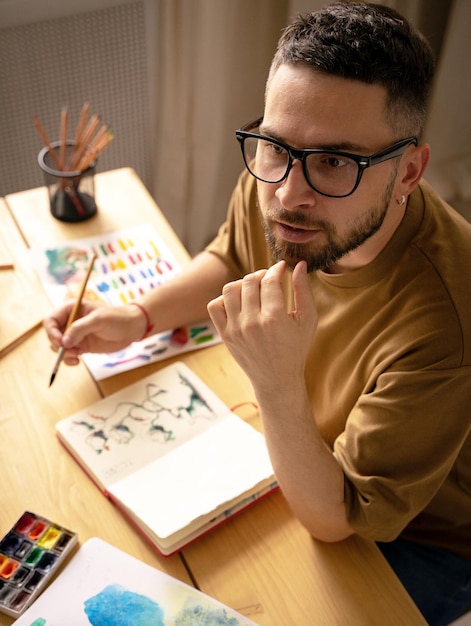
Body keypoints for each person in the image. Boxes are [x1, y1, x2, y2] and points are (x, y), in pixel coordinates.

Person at [44, 3, 471, 624]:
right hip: (300, 447)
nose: (289, 195)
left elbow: (339, 517)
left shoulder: (447, 320)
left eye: (336, 162)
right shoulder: (280, 175)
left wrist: (275, 381)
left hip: (412, 537)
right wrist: (137, 317)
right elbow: (232, 255)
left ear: (408, 171)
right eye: (277, 146)